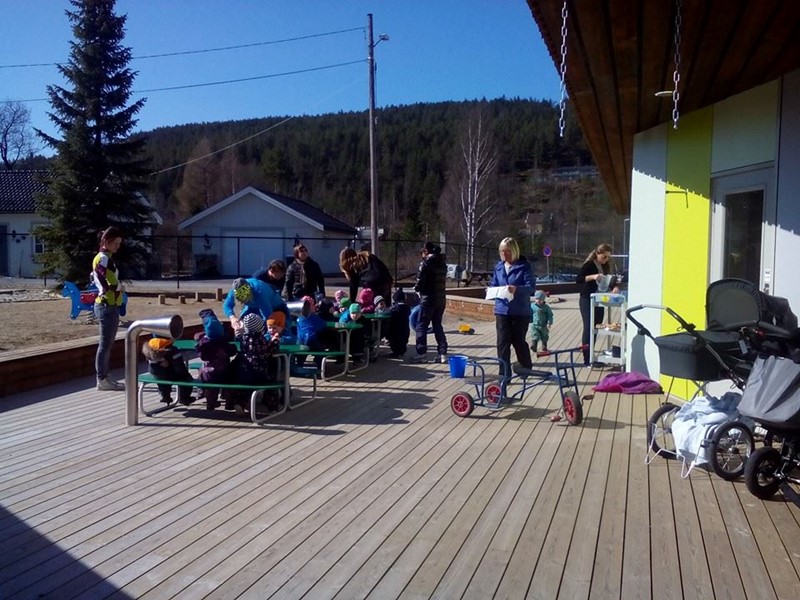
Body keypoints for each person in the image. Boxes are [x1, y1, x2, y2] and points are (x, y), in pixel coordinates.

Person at [490, 236, 535, 379]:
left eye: (507, 251)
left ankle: (526, 368)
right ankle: (504, 374)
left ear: (514, 251)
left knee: (518, 341)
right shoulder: (498, 267)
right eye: (502, 251)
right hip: (502, 310)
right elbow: (494, 284)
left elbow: (531, 288)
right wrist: (491, 291)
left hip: (520, 311)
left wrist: (517, 289)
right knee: (502, 343)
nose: (504, 254)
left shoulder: (524, 266)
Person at [92, 226, 126, 391]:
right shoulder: (104, 258)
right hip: (106, 304)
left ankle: (104, 376)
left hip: (109, 304)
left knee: (107, 344)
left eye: (119, 243)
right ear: (107, 241)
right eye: (116, 243)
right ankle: (102, 379)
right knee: (105, 344)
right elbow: (109, 280)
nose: (118, 247)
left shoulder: (105, 258)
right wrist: (120, 287)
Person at [576, 243, 619, 366]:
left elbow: (609, 280)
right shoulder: (589, 264)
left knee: (596, 327)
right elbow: (579, 279)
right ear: (597, 254)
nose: (606, 259)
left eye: (608, 257)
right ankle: (587, 359)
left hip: (600, 300)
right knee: (588, 327)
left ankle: (591, 356)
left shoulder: (605, 266)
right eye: (604, 257)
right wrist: (593, 276)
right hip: (587, 299)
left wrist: (614, 286)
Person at [229, 312, 281, 413]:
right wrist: (274, 341)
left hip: (244, 372)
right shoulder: (260, 340)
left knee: (243, 390)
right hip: (259, 372)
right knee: (270, 383)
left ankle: (240, 403)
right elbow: (268, 351)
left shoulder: (244, 339)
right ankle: (272, 406)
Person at [410, 241, 448, 364]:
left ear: (425, 251)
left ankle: (421, 353)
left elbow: (420, 282)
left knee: (421, 325)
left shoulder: (425, 263)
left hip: (428, 298)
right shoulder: (442, 264)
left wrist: (417, 289)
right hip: (440, 298)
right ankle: (442, 353)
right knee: (437, 325)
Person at [193, 308, 236, 410]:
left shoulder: (204, 344)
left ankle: (210, 403)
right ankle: (229, 403)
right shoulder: (224, 343)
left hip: (208, 373)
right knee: (232, 378)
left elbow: (201, 355)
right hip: (224, 372)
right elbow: (233, 351)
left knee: (210, 386)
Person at [222, 277, 288, 335]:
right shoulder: (234, 290)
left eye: (246, 300)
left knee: (276, 327)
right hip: (253, 305)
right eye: (242, 301)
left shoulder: (260, 292)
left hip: (275, 307)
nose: (244, 302)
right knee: (243, 322)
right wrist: (233, 318)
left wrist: (248, 330)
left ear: (250, 291)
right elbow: (227, 305)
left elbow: (267, 318)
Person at [141, 336, 195, 406]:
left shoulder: (150, 354)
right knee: (186, 379)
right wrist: (185, 374)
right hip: (170, 373)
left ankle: (165, 396)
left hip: (157, 373)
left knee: (161, 380)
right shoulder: (173, 351)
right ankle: (184, 398)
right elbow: (179, 366)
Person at [387, 289, 411, 358]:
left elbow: (389, 313)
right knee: (403, 341)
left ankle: (396, 353)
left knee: (395, 341)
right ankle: (402, 351)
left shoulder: (394, 308)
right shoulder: (407, 308)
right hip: (405, 329)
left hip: (395, 329)